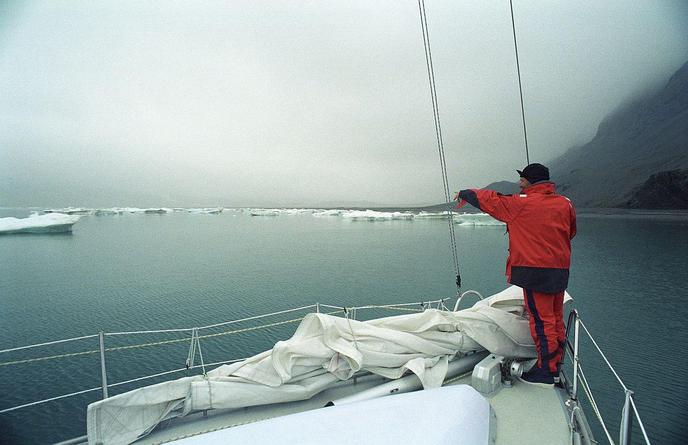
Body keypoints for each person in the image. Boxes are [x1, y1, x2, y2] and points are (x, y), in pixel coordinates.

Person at [455, 163, 576, 387]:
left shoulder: (521, 204)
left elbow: (492, 201)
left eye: (522, 179)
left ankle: (546, 372)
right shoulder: (565, 203)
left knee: (542, 321)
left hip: (534, 272)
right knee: (555, 317)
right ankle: (555, 364)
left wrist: (465, 193)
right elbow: (571, 231)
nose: (520, 182)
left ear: (531, 180)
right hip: (559, 270)